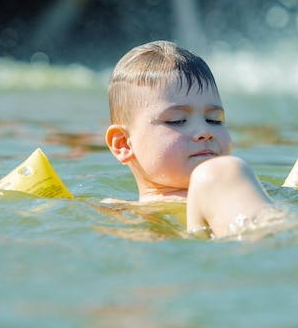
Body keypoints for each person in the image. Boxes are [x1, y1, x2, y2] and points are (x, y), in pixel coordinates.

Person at [104, 40, 276, 238]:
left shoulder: (253, 188)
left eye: (214, 120)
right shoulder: (119, 213)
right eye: (177, 121)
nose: (205, 131)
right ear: (123, 144)